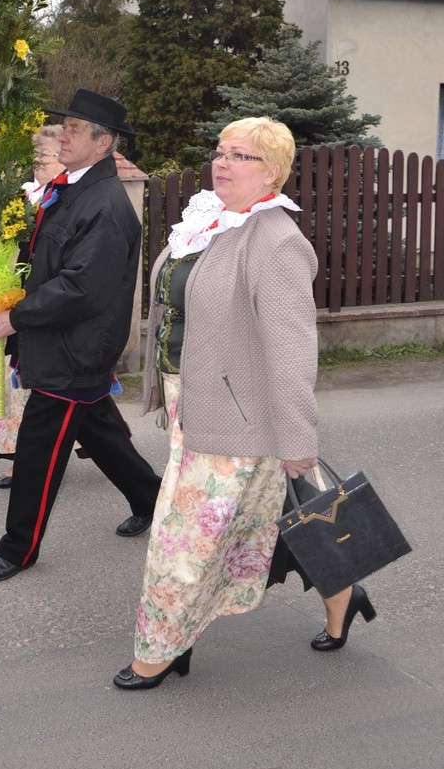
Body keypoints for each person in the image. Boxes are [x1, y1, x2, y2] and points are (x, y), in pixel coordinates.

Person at [113, 116, 375, 690]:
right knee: (284, 515)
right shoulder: (211, 222)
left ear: (273, 174)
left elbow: (292, 353)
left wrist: (298, 442)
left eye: (239, 155)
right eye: (220, 151)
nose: (221, 162)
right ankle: (343, 594)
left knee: (183, 538)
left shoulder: (277, 241)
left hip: (239, 420)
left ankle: (158, 649)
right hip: (195, 404)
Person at [0, 89, 162, 582]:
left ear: (104, 143)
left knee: (38, 447)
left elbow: (82, 287)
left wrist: (18, 317)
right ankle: (153, 499)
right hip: (65, 342)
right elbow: (51, 261)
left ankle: (18, 548)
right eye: (65, 126)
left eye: (75, 129)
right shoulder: (71, 187)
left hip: (74, 347)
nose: (64, 136)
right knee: (98, 430)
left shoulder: (105, 204)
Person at [0, 125, 65, 489]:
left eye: (44, 157)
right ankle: (25, 455)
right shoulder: (28, 197)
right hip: (18, 301)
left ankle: (34, 462)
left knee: (40, 387)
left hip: (45, 305)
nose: (38, 164)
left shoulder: (64, 200)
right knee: (20, 383)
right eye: (34, 158)